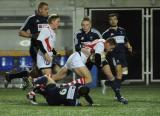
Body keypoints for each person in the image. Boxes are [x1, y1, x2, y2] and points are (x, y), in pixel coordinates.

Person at [4, 2, 51, 88]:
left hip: (46, 49)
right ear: (40, 9)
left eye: (48, 9)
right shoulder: (32, 18)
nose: (47, 11)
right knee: (43, 70)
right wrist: (32, 35)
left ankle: (12, 76)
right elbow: (21, 32)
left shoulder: (49, 19)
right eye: (45, 9)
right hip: (35, 48)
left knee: (37, 71)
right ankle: (43, 88)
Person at [101, 13, 132, 103]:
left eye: (114, 19)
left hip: (122, 55)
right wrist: (104, 54)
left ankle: (107, 83)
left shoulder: (122, 30)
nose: (113, 21)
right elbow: (103, 46)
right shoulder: (106, 33)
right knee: (119, 74)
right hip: (114, 56)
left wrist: (129, 47)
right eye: (111, 19)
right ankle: (117, 95)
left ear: (117, 20)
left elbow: (126, 41)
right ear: (109, 21)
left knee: (124, 75)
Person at [27, 75, 93, 106]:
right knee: (57, 97)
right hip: (52, 102)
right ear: (82, 95)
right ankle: (37, 91)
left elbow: (83, 91)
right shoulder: (73, 101)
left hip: (52, 90)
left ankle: (34, 85)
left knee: (47, 78)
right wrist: (91, 103)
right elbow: (74, 104)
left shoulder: (76, 85)